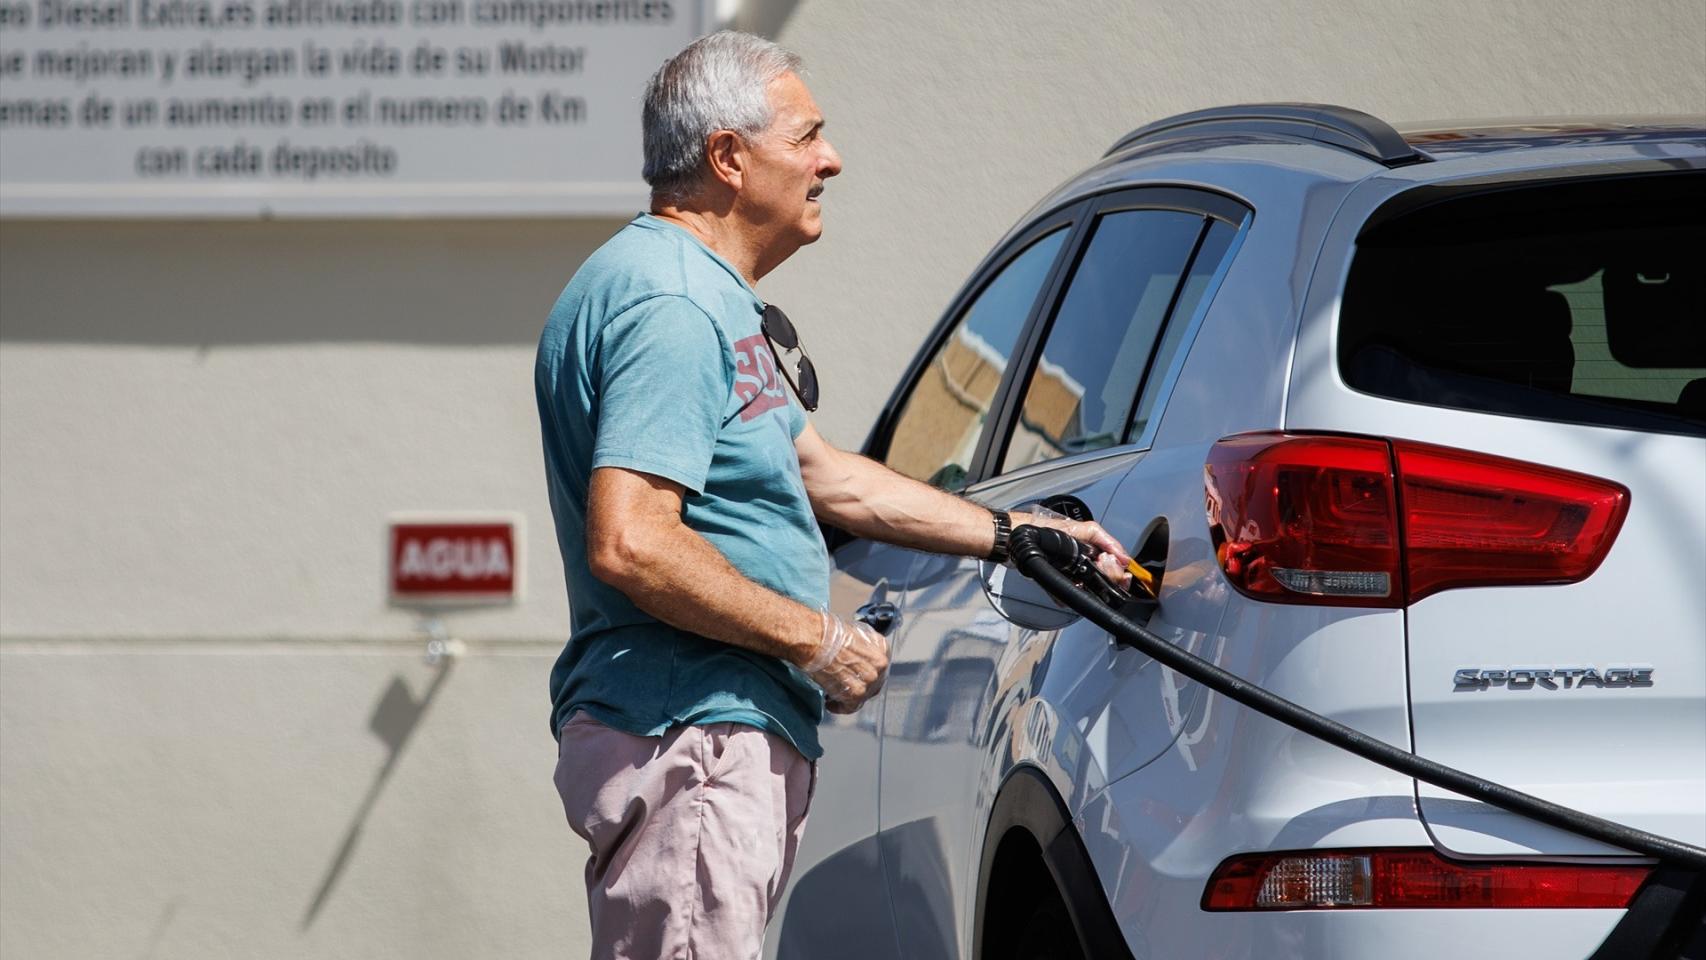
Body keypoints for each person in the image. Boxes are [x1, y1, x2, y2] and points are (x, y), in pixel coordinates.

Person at [535, 30, 1131, 960]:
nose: (832, 159)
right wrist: (820, 641)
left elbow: (825, 475)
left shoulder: (699, 295)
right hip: (693, 732)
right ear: (729, 159)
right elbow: (634, 542)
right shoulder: (671, 306)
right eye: (807, 136)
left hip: (709, 734)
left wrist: (1015, 533)